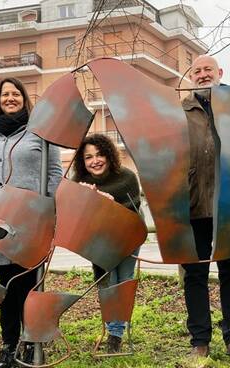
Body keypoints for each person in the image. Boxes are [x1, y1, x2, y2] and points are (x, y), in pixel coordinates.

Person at [0, 77, 62, 368]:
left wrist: (49, 211)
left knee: (29, 284)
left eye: (15, 93)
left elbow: (55, 173)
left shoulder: (41, 132)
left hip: (31, 222)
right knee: (6, 284)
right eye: (5, 94)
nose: (10, 98)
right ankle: (9, 344)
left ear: (24, 98)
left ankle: (32, 342)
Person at [180, 55, 230, 361]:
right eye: (198, 71)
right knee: (194, 275)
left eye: (208, 70)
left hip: (229, 205)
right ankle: (200, 340)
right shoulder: (180, 111)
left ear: (220, 72)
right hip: (192, 206)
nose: (203, 75)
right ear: (191, 77)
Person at [72, 133, 141, 354]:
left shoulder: (127, 177)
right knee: (108, 283)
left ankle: (115, 335)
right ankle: (114, 330)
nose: (95, 161)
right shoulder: (79, 184)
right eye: (88, 157)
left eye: (100, 154)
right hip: (100, 242)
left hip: (128, 237)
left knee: (123, 282)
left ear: (109, 155)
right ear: (83, 162)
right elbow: (76, 217)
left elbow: (134, 206)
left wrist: (109, 204)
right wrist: (86, 199)